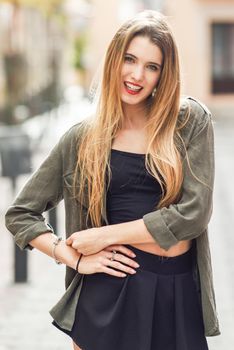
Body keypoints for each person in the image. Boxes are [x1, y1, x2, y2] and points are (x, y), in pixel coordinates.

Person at [5, 10, 220, 350]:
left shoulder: (189, 122)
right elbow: (20, 214)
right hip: (106, 295)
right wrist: (73, 256)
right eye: (130, 59)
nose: (137, 75)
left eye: (152, 66)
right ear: (113, 60)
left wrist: (103, 236)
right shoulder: (82, 139)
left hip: (176, 294)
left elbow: (194, 213)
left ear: (165, 74)